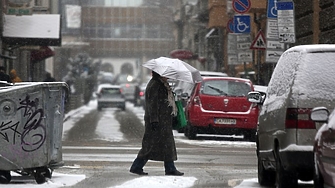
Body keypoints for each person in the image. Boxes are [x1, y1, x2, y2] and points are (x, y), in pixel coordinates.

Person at [129, 71, 184, 176]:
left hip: (163, 120)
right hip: (158, 121)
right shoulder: (155, 85)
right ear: (160, 74)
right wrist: (154, 120)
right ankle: (137, 166)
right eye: (166, 73)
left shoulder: (161, 84)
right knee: (150, 145)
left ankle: (170, 168)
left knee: (165, 145)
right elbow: (152, 104)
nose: (168, 75)